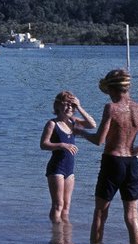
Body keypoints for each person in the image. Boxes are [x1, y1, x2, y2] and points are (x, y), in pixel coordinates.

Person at [74, 69, 138, 244]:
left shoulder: (111, 108)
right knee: (132, 215)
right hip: (131, 164)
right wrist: (134, 151)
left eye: (108, 91)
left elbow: (99, 140)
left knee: (100, 212)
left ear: (112, 89)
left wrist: (80, 132)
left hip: (112, 161)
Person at [40, 91, 96, 223]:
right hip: (56, 168)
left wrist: (79, 107)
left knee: (66, 207)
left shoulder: (73, 121)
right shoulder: (52, 124)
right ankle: (56, 232)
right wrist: (61, 145)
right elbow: (43, 144)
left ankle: (65, 232)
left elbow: (92, 125)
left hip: (69, 170)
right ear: (58, 106)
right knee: (58, 204)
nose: (69, 107)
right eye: (66, 104)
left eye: (72, 105)